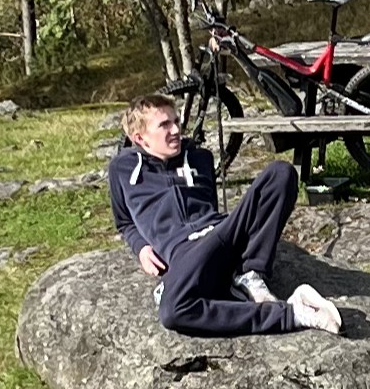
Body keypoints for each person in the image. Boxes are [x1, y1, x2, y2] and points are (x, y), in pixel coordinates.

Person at [106, 98, 342, 336]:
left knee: (281, 173)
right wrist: (141, 247)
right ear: (140, 138)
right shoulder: (122, 169)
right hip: (184, 253)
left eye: (176, 121)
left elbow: (209, 207)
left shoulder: (200, 158)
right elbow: (124, 221)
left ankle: (250, 275)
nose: (176, 130)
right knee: (173, 311)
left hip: (220, 231)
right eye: (164, 125)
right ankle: (294, 313)